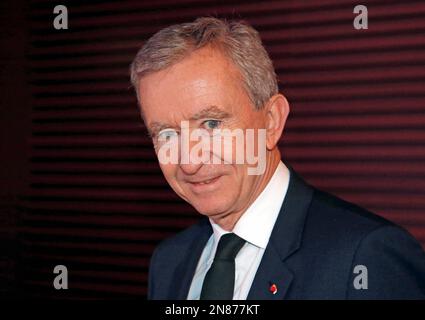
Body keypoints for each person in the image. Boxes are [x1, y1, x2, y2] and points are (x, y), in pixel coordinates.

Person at [130, 17, 425, 300]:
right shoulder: (169, 261)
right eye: (167, 134)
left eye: (211, 124)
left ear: (271, 122)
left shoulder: (365, 257)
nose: (189, 162)